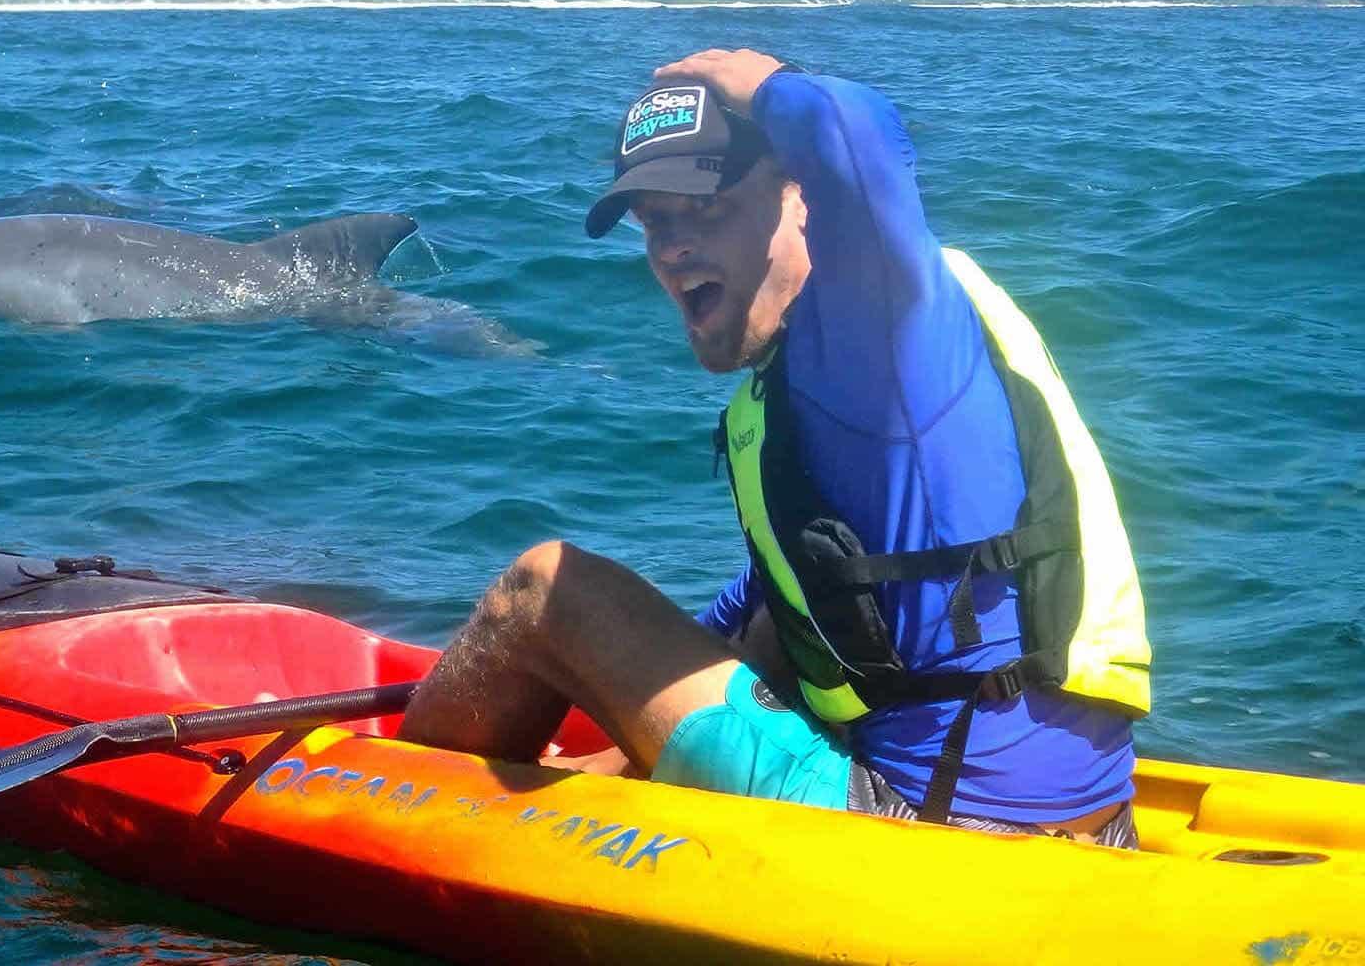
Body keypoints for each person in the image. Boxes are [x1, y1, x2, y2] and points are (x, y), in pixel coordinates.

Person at [397, 49, 1153, 843]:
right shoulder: (833, 373)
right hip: (1086, 825)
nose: (673, 248)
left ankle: (396, 822)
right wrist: (611, 720)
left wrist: (754, 77)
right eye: (657, 223)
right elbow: (771, 609)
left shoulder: (878, 329)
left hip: (936, 831)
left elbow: (858, 142)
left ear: (800, 199)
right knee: (749, 636)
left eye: (709, 209)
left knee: (541, 591)